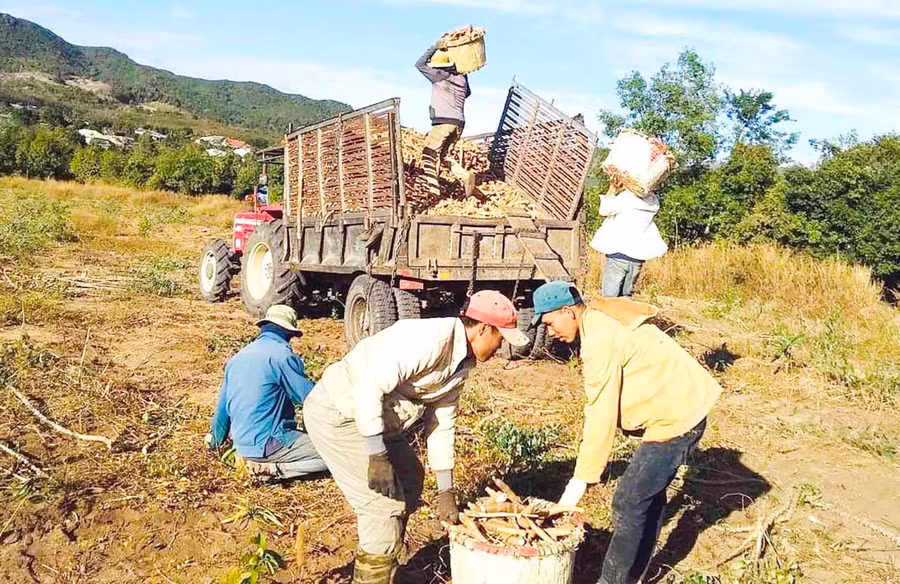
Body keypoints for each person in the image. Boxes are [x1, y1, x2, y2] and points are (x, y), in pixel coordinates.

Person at [303, 290, 529, 583]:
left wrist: (445, 490)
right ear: (484, 329)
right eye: (501, 338)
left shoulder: (461, 364)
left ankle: (390, 565)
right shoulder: (429, 341)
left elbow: (442, 423)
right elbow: (368, 386)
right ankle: (373, 577)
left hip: (381, 419)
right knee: (382, 506)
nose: (501, 347)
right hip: (341, 412)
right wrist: (376, 454)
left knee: (409, 478)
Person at [531, 281, 721, 584]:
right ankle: (636, 575)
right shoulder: (597, 318)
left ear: (568, 310)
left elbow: (599, 412)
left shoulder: (600, 341)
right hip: (680, 403)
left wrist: (578, 484)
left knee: (629, 500)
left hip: (678, 416)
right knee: (647, 497)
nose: (550, 332)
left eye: (551, 322)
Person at [206, 304, 327, 481]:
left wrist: (214, 443)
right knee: (334, 453)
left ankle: (253, 462)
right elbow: (310, 398)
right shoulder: (282, 356)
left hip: (242, 445)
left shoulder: (236, 359)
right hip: (270, 443)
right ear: (289, 333)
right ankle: (271, 470)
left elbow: (222, 412)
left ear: (263, 327)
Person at [415, 40, 476, 198]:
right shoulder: (462, 79)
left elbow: (419, 64)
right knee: (444, 156)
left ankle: (433, 191)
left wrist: (435, 46)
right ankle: (464, 175)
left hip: (443, 122)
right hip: (459, 123)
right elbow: (467, 93)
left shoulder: (439, 75)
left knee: (428, 153)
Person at [590, 178, 667, 297]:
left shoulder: (626, 198)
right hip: (638, 257)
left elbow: (604, 210)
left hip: (619, 254)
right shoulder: (652, 201)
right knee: (626, 296)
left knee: (610, 298)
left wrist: (612, 188)